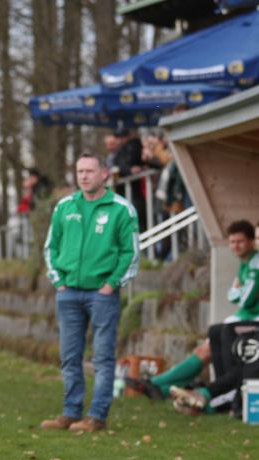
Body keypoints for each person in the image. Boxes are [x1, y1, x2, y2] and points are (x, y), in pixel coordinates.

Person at [40, 152, 140, 432]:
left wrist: (111, 284)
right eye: (79, 171)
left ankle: (97, 416)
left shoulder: (121, 208)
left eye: (89, 171)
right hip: (68, 292)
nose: (83, 176)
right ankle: (71, 412)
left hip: (102, 293)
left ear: (104, 174)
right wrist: (58, 281)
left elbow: (130, 253)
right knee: (70, 356)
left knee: (103, 357)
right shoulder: (64, 207)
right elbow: (51, 247)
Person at [127, 220, 259, 414]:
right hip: (243, 321)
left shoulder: (255, 264)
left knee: (221, 339)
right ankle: (163, 388)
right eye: (231, 242)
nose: (235, 246)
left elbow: (244, 299)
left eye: (241, 241)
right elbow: (234, 295)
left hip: (250, 322)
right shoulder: (247, 263)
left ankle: (192, 393)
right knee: (214, 337)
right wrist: (237, 292)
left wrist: (237, 291)